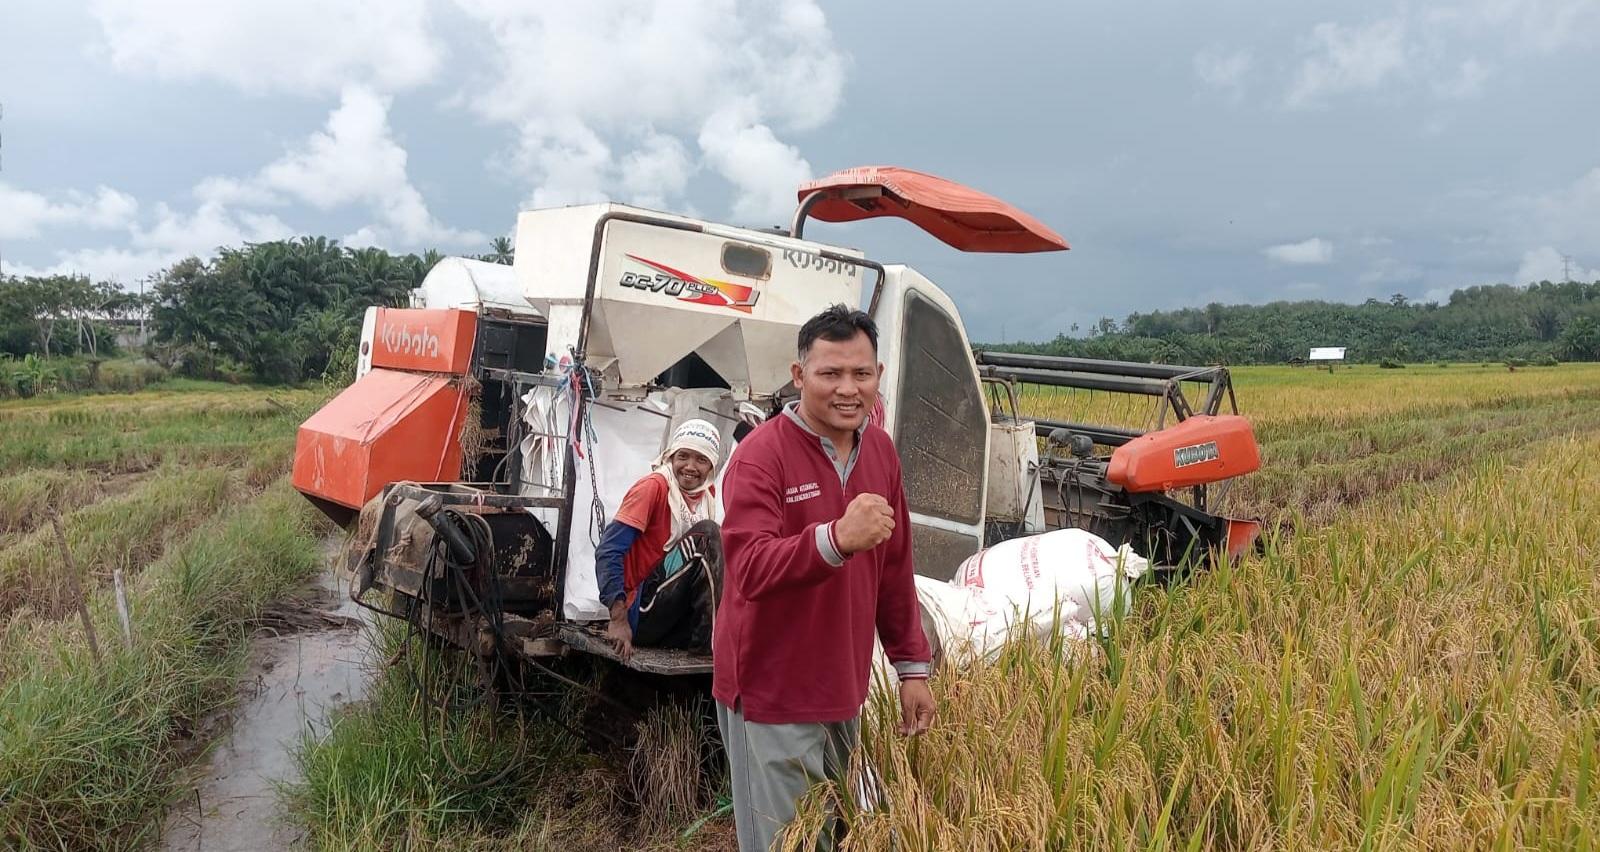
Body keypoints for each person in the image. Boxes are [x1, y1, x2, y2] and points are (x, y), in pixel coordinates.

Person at [713, 304, 936, 851]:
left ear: (879, 376)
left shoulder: (880, 452)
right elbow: (750, 568)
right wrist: (836, 539)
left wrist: (911, 666)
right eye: (829, 374)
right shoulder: (760, 457)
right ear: (799, 376)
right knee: (783, 843)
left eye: (861, 374)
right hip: (772, 689)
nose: (847, 389)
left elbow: (895, 567)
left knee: (834, 837)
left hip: (843, 685)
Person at [593, 418, 725, 660]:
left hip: (673, 616)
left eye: (701, 460)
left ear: (711, 467)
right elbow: (608, 550)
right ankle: (709, 649)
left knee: (728, 546)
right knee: (708, 535)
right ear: (671, 456)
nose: (690, 467)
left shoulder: (707, 495)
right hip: (641, 611)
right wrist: (618, 618)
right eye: (683, 456)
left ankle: (719, 640)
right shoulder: (654, 487)